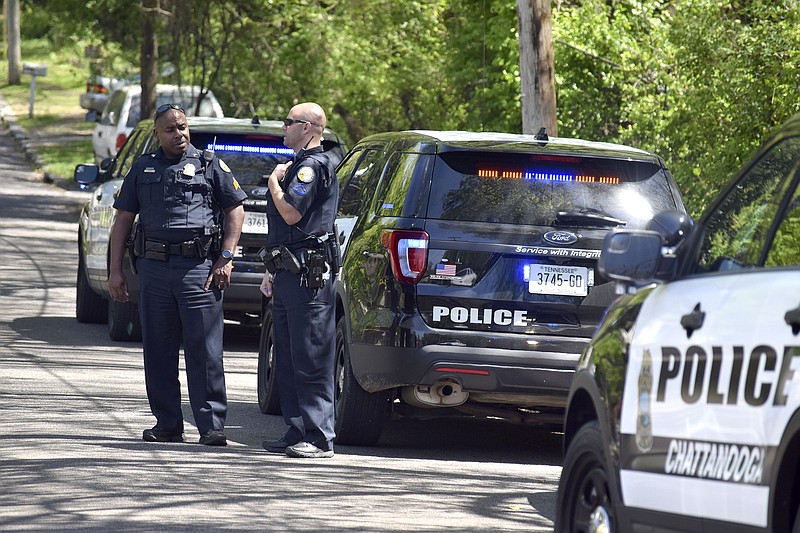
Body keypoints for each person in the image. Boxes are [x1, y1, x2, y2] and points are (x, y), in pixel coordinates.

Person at [108, 103, 246, 446]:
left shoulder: (210, 165)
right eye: (170, 129)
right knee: (158, 350)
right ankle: (168, 423)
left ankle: (211, 426)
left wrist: (225, 258)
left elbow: (235, 210)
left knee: (205, 350)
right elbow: (123, 220)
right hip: (154, 271)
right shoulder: (143, 168)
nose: (179, 134)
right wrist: (114, 270)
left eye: (182, 127)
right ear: (157, 134)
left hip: (199, 270)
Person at [260, 102, 339, 459]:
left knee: (310, 356)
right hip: (287, 271)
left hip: (308, 276)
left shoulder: (313, 167)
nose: (283, 127)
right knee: (289, 357)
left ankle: (320, 437)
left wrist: (274, 183)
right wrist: (270, 271)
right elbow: (283, 231)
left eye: (289, 122)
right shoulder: (298, 164)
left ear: (308, 128)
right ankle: (297, 429)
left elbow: (291, 214)